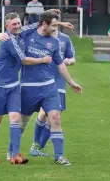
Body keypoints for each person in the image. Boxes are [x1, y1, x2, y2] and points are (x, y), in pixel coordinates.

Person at [1, 11, 82, 165]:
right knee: (22, 123)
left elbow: (59, 64)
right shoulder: (27, 35)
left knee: (55, 118)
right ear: (44, 24)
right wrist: (0, 35)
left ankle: (59, 156)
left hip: (49, 87)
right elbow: (12, 34)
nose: (55, 29)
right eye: (53, 25)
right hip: (28, 88)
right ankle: (12, 150)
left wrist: (71, 82)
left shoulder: (55, 42)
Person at [0, 13, 51, 164]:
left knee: (15, 118)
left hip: (13, 86)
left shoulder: (21, 31)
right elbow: (24, 60)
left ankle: (15, 155)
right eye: (14, 24)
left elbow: (37, 24)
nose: (18, 26)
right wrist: (43, 60)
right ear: (7, 26)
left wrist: (60, 22)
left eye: (19, 23)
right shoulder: (9, 41)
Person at [30, 28, 76, 157]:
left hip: (59, 80)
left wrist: (69, 61)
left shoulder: (65, 39)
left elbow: (72, 57)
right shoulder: (40, 37)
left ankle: (39, 147)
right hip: (44, 79)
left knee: (53, 117)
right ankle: (35, 144)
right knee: (43, 113)